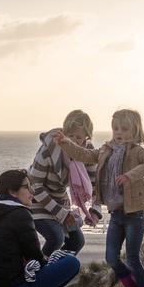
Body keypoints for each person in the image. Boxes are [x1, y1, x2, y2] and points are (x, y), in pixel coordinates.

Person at [58, 108, 144, 287]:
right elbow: (86, 155)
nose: (119, 132)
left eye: (124, 128)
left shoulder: (135, 151)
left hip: (134, 214)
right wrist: (65, 143)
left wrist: (130, 176)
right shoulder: (106, 149)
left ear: (134, 129)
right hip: (116, 214)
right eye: (116, 128)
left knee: (133, 258)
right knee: (111, 257)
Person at [0, 168, 82, 287]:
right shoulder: (19, 214)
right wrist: (47, 263)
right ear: (12, 191)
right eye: (27, 187)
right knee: (71, 263)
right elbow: (35, 257)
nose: (32, 192)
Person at [27, 110, 96, 257]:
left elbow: (95, 183)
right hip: (35, 199)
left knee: (77, 242)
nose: (73, 141)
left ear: (86, 138)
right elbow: (35, 186)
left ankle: (57, 273)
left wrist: (95, 210)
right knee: (55, 238)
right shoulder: (48, 149)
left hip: (60, 199)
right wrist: (62, 214)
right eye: (70, 136)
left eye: (78, 138)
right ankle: (36, 272)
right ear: (64, 132)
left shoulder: (87, 152)